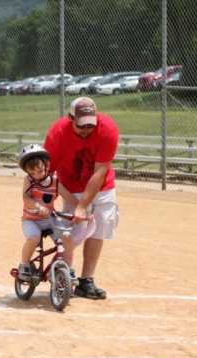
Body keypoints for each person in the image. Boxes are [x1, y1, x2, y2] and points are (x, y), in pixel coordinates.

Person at [43, 97, 119, 300]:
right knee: (72, 230)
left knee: (100, 226)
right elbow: (46, 173)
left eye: (90, 125)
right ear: (70, 118)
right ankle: (63, 275)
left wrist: (84, 205)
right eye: (81, 125)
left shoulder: (108, 128)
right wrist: (47, 202)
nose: (86, 129)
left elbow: (100, 171)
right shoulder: (59, 132)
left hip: (102, 187)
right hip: (71, 186)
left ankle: (86, 281)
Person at [17, 144, 80, 285]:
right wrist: (38, 206)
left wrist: (81, 210)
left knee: (67, 236)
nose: (36, 176)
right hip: (31, 220)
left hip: (50, 220)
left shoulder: (55, 183)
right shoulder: (29, 181)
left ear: (47, 166)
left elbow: (70, 198)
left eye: (39, 171)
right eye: (32, 173)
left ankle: (68, 269)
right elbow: (26, 198)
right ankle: (25, 264)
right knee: (33, 238)